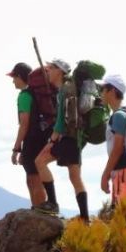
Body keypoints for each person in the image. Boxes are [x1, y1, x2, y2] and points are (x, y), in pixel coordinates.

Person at [34, 59, 90, 222]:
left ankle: (52, 203)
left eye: (51, 68)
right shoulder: (71, 88)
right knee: (75, 177)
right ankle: (85, 218)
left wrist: (51, 142)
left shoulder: (63, 91)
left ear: (60, 71)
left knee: (40, 161)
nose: (48, 71)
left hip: (67, 138)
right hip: (77, 138)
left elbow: (60, 122)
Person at [99, 74, 126, 205]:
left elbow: (118, 148)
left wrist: (105, 175)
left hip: (125, 174)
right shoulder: (123, 114)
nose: (101, 92)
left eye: (103, 89)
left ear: (112, 91)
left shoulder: (119, 116)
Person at [7, 62, 48, 207]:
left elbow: (24, 124)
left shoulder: (24, 96)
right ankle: (38, 208)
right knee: (33, 177)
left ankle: (41, 210)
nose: (13, 81)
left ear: (20, 77)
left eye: (14, 77)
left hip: (32, 140)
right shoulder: (35, 94)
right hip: (40, 139)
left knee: (34, 178)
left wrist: (16, 149)